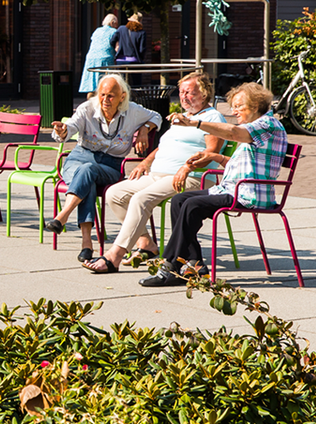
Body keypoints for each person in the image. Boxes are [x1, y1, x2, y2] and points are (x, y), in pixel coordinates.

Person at [140, 82, 287, 287]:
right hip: (234, 188)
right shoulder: (256, 128)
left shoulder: (267, 124)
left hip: (249, 193)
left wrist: (195, 123)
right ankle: (195, 264)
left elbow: (233, 133)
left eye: (239, 106)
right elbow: (242, 165)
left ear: (255, 106)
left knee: (192, 205)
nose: (234, 111)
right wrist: (215, 157)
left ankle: (170, 265)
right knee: (180, 200)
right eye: (233, 107)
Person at [82, 71, 225, 273]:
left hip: (192, 177)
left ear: (204, 93)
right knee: (114, 194)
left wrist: (187, 167)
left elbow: (211, 152)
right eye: (181, 92)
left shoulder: (212, 117)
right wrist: (145, 162)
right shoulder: (182, 117)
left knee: (141, 198)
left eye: (189, 92)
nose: (184, 97)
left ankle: (114, 256)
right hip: (158, 175)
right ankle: (146, 243)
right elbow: (163, 146)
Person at [46, 74, 161, 263]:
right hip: (79, 158)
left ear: (122, 97)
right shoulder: (87, 108)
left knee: (87, 172)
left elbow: (156, 116)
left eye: (110, 96)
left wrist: (144, 129)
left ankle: (64, 217)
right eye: (102, 94)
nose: (105, 100)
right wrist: (63, 131)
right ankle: (86, 244)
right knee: (87, 177)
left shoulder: (132, 110)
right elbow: (71, 126)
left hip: (111, 166)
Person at [79, 14, 119, 94]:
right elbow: (117, 48)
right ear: (112, 22)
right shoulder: (114, 32)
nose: (116, 26)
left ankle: (90, 99)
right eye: (116, 24)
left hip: (91, 59)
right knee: (106, 85)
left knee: (92, 86)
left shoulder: (97, 30)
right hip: (105, 58)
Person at [114, 12, 147, 87]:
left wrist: (117, 46)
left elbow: (112, 41)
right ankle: (136, 94)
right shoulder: (142, 32)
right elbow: (142, 49)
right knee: (136, 83)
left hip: (121, 61)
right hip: (134, 61)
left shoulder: (121, 29)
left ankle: (123, 94)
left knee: (121, 83)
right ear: (140, 21)